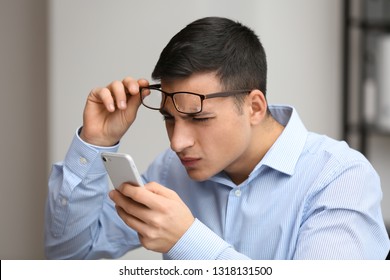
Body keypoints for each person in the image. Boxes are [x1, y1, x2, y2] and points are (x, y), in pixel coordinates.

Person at [45, 16, 390, 260]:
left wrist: (187, 240)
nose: (177, 143)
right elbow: (71, 253)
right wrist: (97, 142)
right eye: (169, 119)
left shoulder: (340, 179)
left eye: (200, 118)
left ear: (255, 107)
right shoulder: (171, 170)